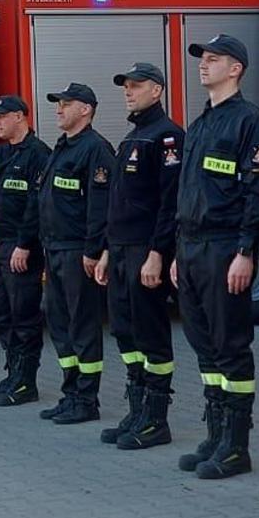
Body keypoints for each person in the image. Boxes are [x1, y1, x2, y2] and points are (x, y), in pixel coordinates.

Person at [169, 35, 259, 480]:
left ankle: (236, 446)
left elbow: (258, 193)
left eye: (214, 59)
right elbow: (187, 193)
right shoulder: (200, 125)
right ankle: (215, 436)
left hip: (223, 248)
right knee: (205, 347)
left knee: (231, 347)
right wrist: (177, 251)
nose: (204, 65)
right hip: (192, 248)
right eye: (203, 59)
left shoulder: (250, 124)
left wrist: (245, 251)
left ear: (236, 69)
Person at [93, 62, 184, 449]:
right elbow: (118, 203)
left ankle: (156, 420)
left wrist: (158, 254)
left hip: (146, 252)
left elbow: (169, 202)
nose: (129, 91)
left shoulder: (167, 137)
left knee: (151, 334)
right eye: (126, 86)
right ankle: (137, 410)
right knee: (125, 331)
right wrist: (107, 252)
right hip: (121, 251)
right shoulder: (134, 136)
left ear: (157, 90)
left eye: (137, 85)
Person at [36, 83, 116, 425]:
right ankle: (71, 394)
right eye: (58, 104)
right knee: (59, 323)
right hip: (53, 249)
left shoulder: (95, 150)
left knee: (82, 325)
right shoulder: (63, 147)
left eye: (66, 104)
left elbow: (101, 205)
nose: (58, 109)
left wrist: (93, 250)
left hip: (76, 252)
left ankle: (87, 399)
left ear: (85, 109)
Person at [0, 95, 51, 407]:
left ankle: (26, 381)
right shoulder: (3, 153)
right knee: (1, 313)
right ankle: (13, 372)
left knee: (24, 316)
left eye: (2, 117)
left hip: (21, 247)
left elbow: (36, 205)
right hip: (1, 244)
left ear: (20, 117)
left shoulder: (38, 154)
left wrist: (25, 244)